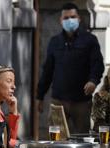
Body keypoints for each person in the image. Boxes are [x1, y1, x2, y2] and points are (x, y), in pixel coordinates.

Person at [36, 2, 104, 134]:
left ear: (79, 18)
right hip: (58, 101)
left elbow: (97, 64)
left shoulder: (90, 40)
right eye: (66, 18)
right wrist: (40, 96)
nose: (69, 21)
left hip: (81, 101)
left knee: (82, 138)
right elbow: (48, 70)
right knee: (56, 139)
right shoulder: (55, 42)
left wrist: (93, 81)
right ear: (60, 21)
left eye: (72, 17)